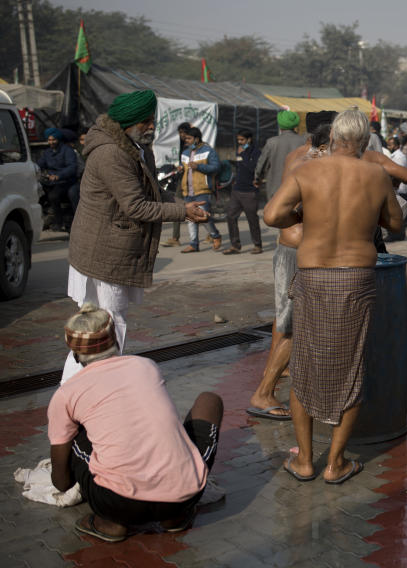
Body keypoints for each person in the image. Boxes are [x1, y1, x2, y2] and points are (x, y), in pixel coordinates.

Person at [263, 109, 404, 483]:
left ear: (333, 138)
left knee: (306, 363)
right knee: (353, 366)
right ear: (364, 140)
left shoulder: (308, 171)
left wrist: (307, 218)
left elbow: (272, 214)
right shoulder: (375, 174)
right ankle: (336, 463)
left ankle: (305, 460)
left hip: (312, 274)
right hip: (356, 277)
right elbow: (395, 223)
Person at [65, 89, 208, 382]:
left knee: (96, 325)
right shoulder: (111, 153)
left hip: (107, 245)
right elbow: (137, 206)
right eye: (146, 121)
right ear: (128, 122)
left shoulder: (134, 147)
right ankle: (96, 387)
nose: (152, 126)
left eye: (152, 119)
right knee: (109, 323)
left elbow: (150, 192)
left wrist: (182, 205)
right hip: (104, 249)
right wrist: (183, 213)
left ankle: (79, 385)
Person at [49, 303, 222, 542]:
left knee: (76, 431)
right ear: (116, 343)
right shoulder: (146, 366)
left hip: (117, 504)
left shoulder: (66, 395)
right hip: (183, 494)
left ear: (76, 356)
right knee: (209, 400)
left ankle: (111, 523)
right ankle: (174, 517)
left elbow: (62, 482)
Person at [246, 124, 331, 420]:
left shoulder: (304, 159)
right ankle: (263, 393)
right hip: (295, 251)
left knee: (288, 323)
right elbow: (279, 212)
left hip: (294, 250)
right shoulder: (308, 166)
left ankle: (274, 384)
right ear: (323, 146)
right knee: (293, 326)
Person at [178, 127, 222, 253]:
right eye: (185, 138)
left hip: (203, 190)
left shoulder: (208, 151)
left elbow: (216, 168)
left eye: (189, 138)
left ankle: (215, 235)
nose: (186, 140)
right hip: (188, 191)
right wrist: (181, 169)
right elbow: (185, 170)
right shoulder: (185, 153)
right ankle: (194, 244)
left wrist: (199, 167)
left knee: (203, 216)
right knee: (190, 218)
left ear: (196, 139)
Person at [223, 129, 262, 255]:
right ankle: (235, 245)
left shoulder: (256, 152)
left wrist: (243, 154)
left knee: (252, 219)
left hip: (249, 191)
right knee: (230, 216)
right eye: (238, 140)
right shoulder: (239, 151)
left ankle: (257, 244)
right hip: (237, 190)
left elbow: (252, 168)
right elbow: (240, 166)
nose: (240, 142)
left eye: (242, 140)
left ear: (249, 139)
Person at [255, 110, 306, 200]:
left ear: (280, 124)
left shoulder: (272, 142)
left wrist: (257, 178)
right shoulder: (304, 142)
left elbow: (262, 164)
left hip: (276, 190)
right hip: (298, 190)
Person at [37, 127, 78, 232]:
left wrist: (58, 175)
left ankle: (59, 222)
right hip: (51, 182)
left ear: (58, 139)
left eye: (53, 139)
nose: (51, 142)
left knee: (54, 196)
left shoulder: (67, 151)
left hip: (66, 182)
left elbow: (72, 167)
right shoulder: (47, 153)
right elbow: (40, 164)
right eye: (49, 140)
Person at [161, 122, 192, 247]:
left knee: (196, 207)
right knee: (177, 204)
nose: (182, 135)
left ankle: (213, 233)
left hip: (191, 180)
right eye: (180, 133)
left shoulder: (193, 145)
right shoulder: (182, 144)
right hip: (182, 178)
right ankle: (175, 237)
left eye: (183, 132)